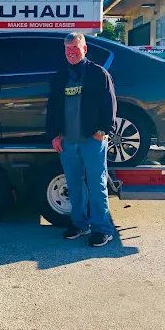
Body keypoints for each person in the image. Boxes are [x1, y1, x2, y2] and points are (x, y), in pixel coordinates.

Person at [45, 32, 117, 247]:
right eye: (68, 49)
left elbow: (110, 104)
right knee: (74, 185)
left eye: (75, 48)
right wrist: (54, 135)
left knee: (97, 185)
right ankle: (80, 224)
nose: (71, 52)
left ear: (84, 49)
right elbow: (52, 109)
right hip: (67, 142)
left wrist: (102, 132)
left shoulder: (98, 74)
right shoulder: (60, 77)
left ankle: (102, 229)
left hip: (92, 140)